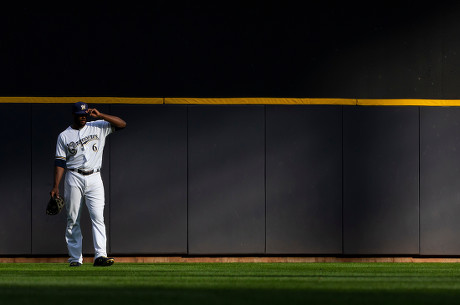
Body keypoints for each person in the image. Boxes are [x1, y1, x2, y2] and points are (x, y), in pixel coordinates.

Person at [50, 101, 126, 267]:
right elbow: (60, 163)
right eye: (80, 115)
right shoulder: (64, 136)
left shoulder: (98, 126)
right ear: (74, 115)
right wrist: (55, 186)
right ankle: (75, 259)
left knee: (98, 217)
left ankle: (100, 255)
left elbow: (122, 124)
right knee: (73, 219)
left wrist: (101, 115)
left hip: (95, 177)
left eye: (85, 114)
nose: (83, 117)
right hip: (73, 177)